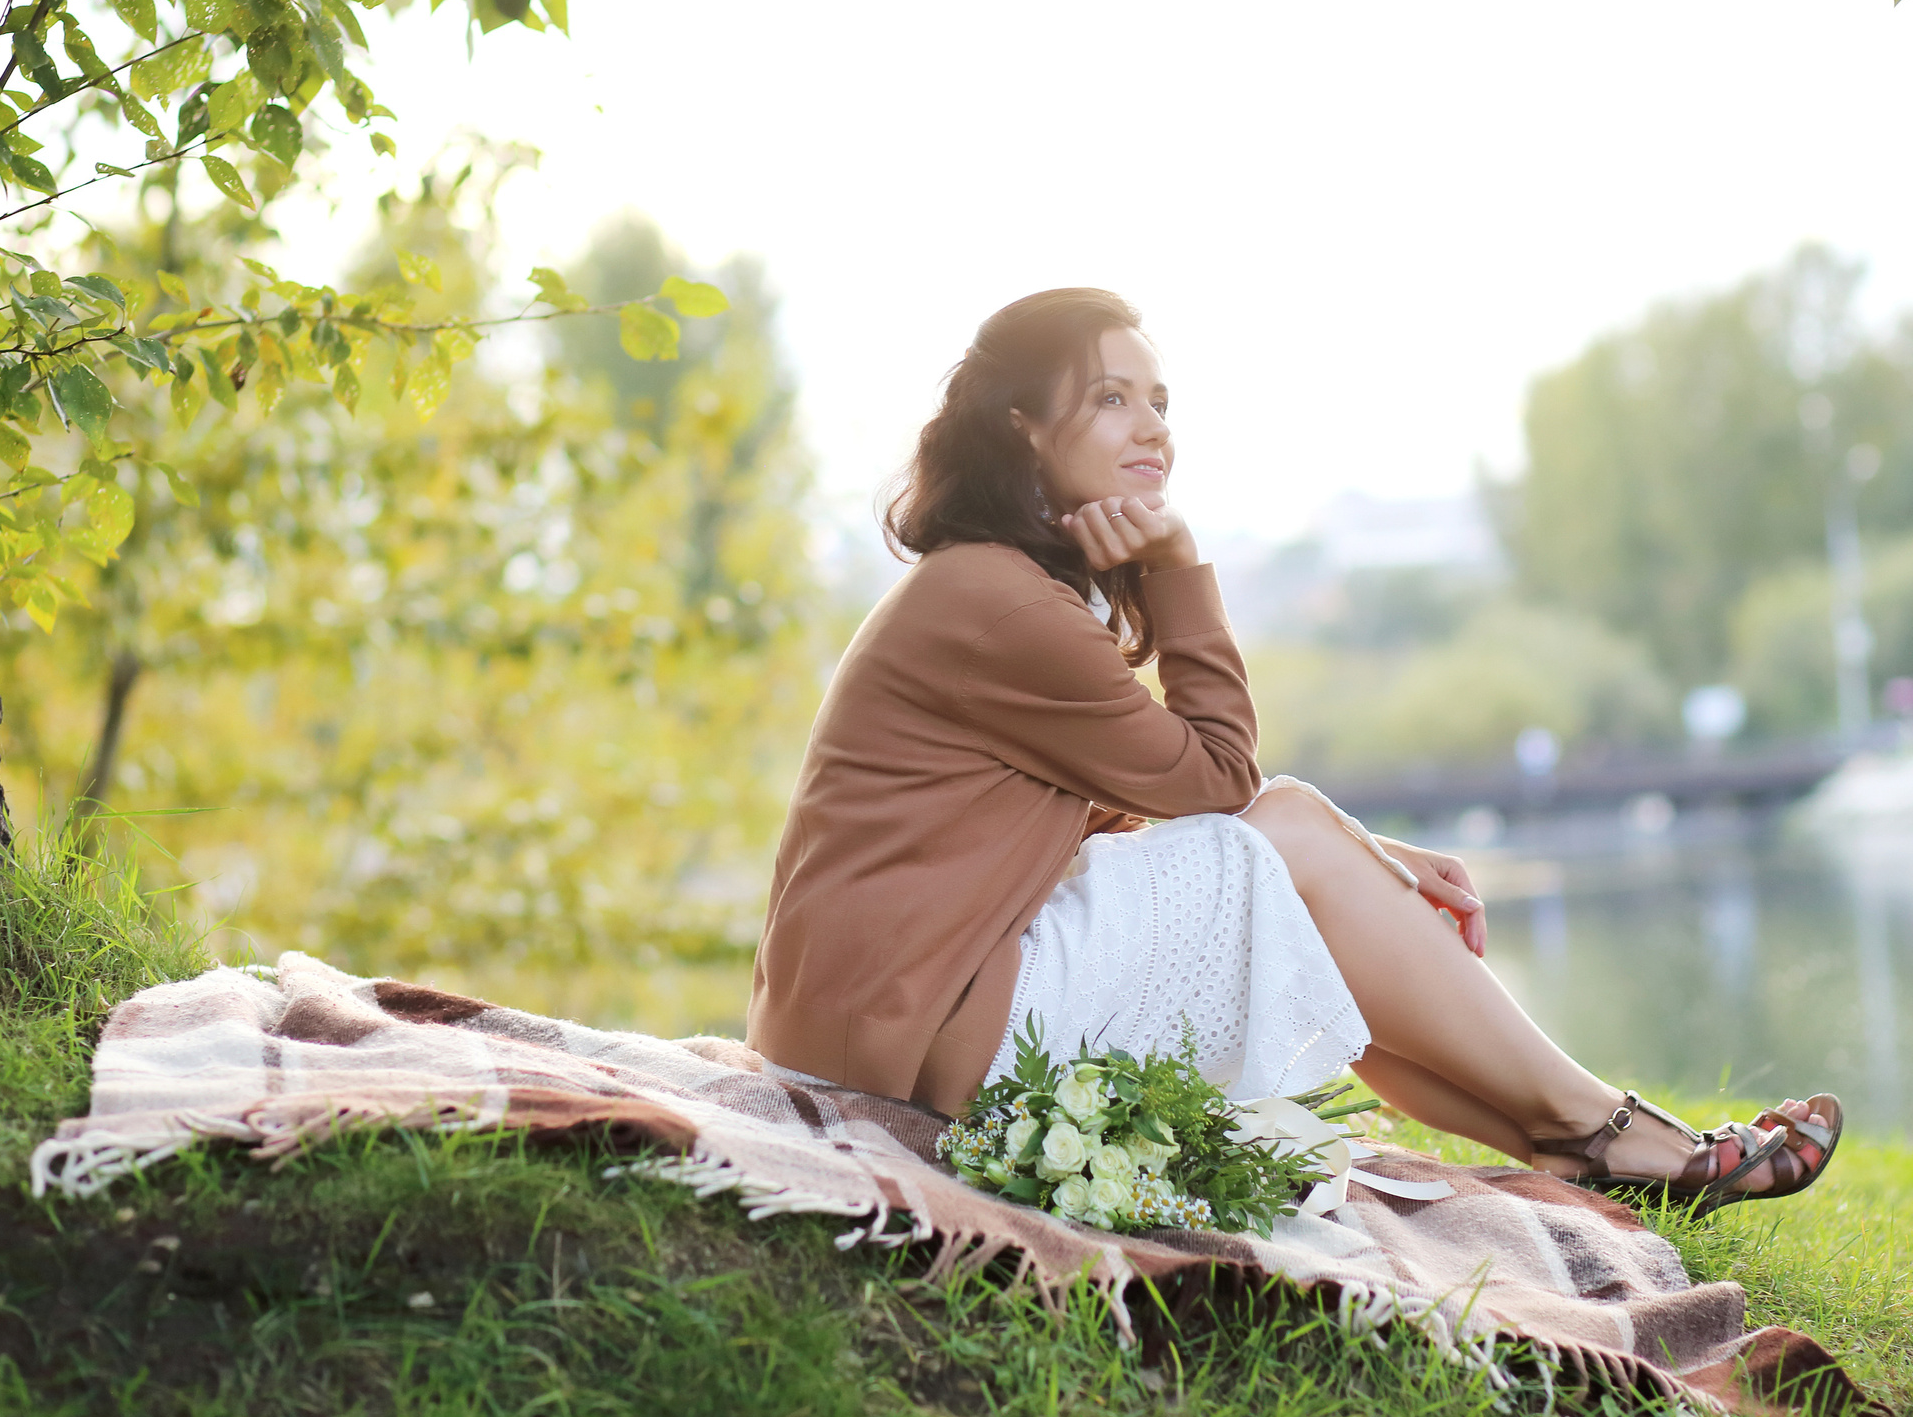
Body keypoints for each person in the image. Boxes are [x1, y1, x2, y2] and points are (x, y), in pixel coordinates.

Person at [747, 288, 1838, 1213]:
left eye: (1160, 403)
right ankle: (1607, 1129)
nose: (1154, 430)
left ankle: (1574, 1152)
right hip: (910, 1038)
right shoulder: (993, 598)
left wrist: (1366, 852)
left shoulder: (988, 587)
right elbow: (1218, 779)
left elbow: (1137, 807)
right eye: (1112, 398)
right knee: (1286, 852)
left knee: (1294, 869)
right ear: (1022, 424)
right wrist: (1177, 567)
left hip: (900, 1015)